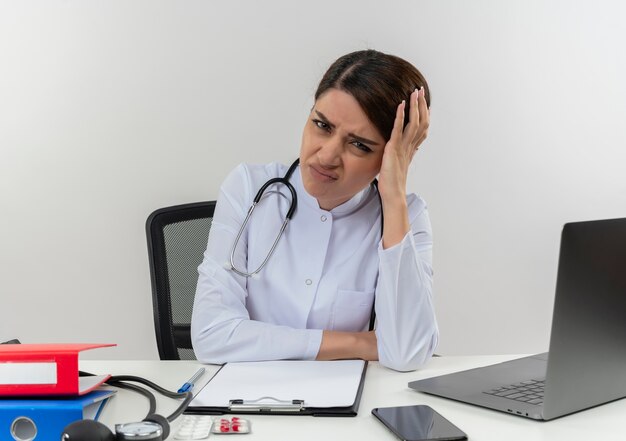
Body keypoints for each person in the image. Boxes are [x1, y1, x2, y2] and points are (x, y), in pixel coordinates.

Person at [191, 49, 437, 371]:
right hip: (247, 400)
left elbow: (407, 352)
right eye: (322, 125)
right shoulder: (249, 188)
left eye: (359, 145)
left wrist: (393, 197)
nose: (327, 156)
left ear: (395, 153)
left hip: (345, 410)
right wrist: (360, 342)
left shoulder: (406, 217)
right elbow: (211, 334)